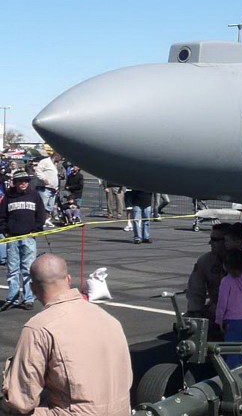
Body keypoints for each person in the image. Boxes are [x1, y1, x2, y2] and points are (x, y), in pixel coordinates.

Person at [1, 254, 132, 415]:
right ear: (68, 279)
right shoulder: (109, 319)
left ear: (33, 289)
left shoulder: (39, 328)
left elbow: (21, 401)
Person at [0, 171, 46, 310]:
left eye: (25, 181)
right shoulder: (9, 196)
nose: (23, 183)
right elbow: (2, 215)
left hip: (28, 237)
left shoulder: (34, 195)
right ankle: (13, 298)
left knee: (27, 269)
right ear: (15, 182)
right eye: (20, 181)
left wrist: (37, 228)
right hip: (12, 237)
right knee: (13, 269)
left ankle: (28, 298)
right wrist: (4, 230)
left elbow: (41, 214)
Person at [186, 222, 230, 336]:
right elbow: (195, 288)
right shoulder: (205, 261)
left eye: (215, 239)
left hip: (237, 307)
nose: (210, 242)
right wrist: (195, 312)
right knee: (187, 323)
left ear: (227, 241)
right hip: (215, 306)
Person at [215, 249, 242, 368]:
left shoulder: (226, 281)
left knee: (231, 351)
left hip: (232, 321)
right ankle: (240, 369)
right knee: (240, 350)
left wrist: (219, 319)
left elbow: (222, 302)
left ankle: (234, 376)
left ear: (227, 266)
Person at [32, 151, 58, 229]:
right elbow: (38, 171)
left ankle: (46, 219)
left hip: (53, 189)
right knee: (42, 205)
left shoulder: (55, 164)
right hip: (44, 188)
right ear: (55, 155)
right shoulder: (45, 161)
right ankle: (40, 220)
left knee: (50, 206)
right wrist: (44, 178)